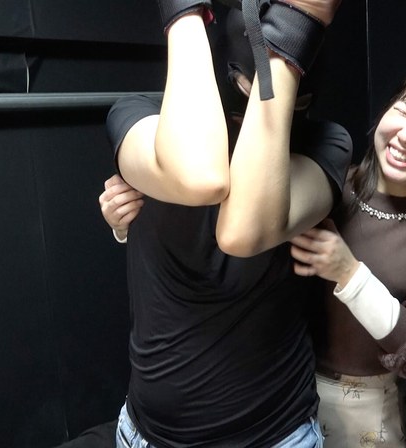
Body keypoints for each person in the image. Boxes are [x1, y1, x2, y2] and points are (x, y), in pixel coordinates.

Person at [102, 55, 406, 447]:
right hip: (278, 392)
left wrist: (349, 273)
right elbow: (229, 246)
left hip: (362, 407)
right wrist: (132, 222)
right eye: (404, 110)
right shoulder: (330, 183)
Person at [102, 0, 349, 447]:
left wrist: (296, 24)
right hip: (146, 433)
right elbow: (200, 177)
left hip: (274, 434)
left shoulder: (326, 144)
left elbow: (242, 231)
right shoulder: (141, 114)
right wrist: (184, 11)